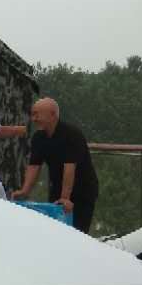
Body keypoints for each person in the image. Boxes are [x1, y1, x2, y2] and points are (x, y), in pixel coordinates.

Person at [13, 97, 100, 233]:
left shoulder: (71, 134)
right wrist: (25, 190)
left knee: (77, 233)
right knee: (56, 231)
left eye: (37, 114)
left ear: (53, 114)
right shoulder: (39, 138)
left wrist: (65, 198)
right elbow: (34, 166)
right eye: (32, 114)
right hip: (57, 189)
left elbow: (70, 168)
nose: (34, 118)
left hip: (83, 191)